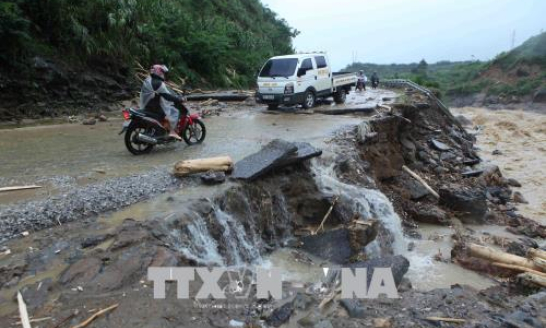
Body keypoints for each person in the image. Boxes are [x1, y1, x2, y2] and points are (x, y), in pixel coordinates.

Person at [139, 64, 184, 140]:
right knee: (169, 114)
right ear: (159, 73)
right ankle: (169, 133)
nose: (164, 75)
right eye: (163, 73)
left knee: (166, 111)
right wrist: (178, 99)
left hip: (147, 105)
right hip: (152, 106)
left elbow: (162, 94)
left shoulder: (149, 80)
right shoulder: (159, 83)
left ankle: (164, 131)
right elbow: (167, 96)